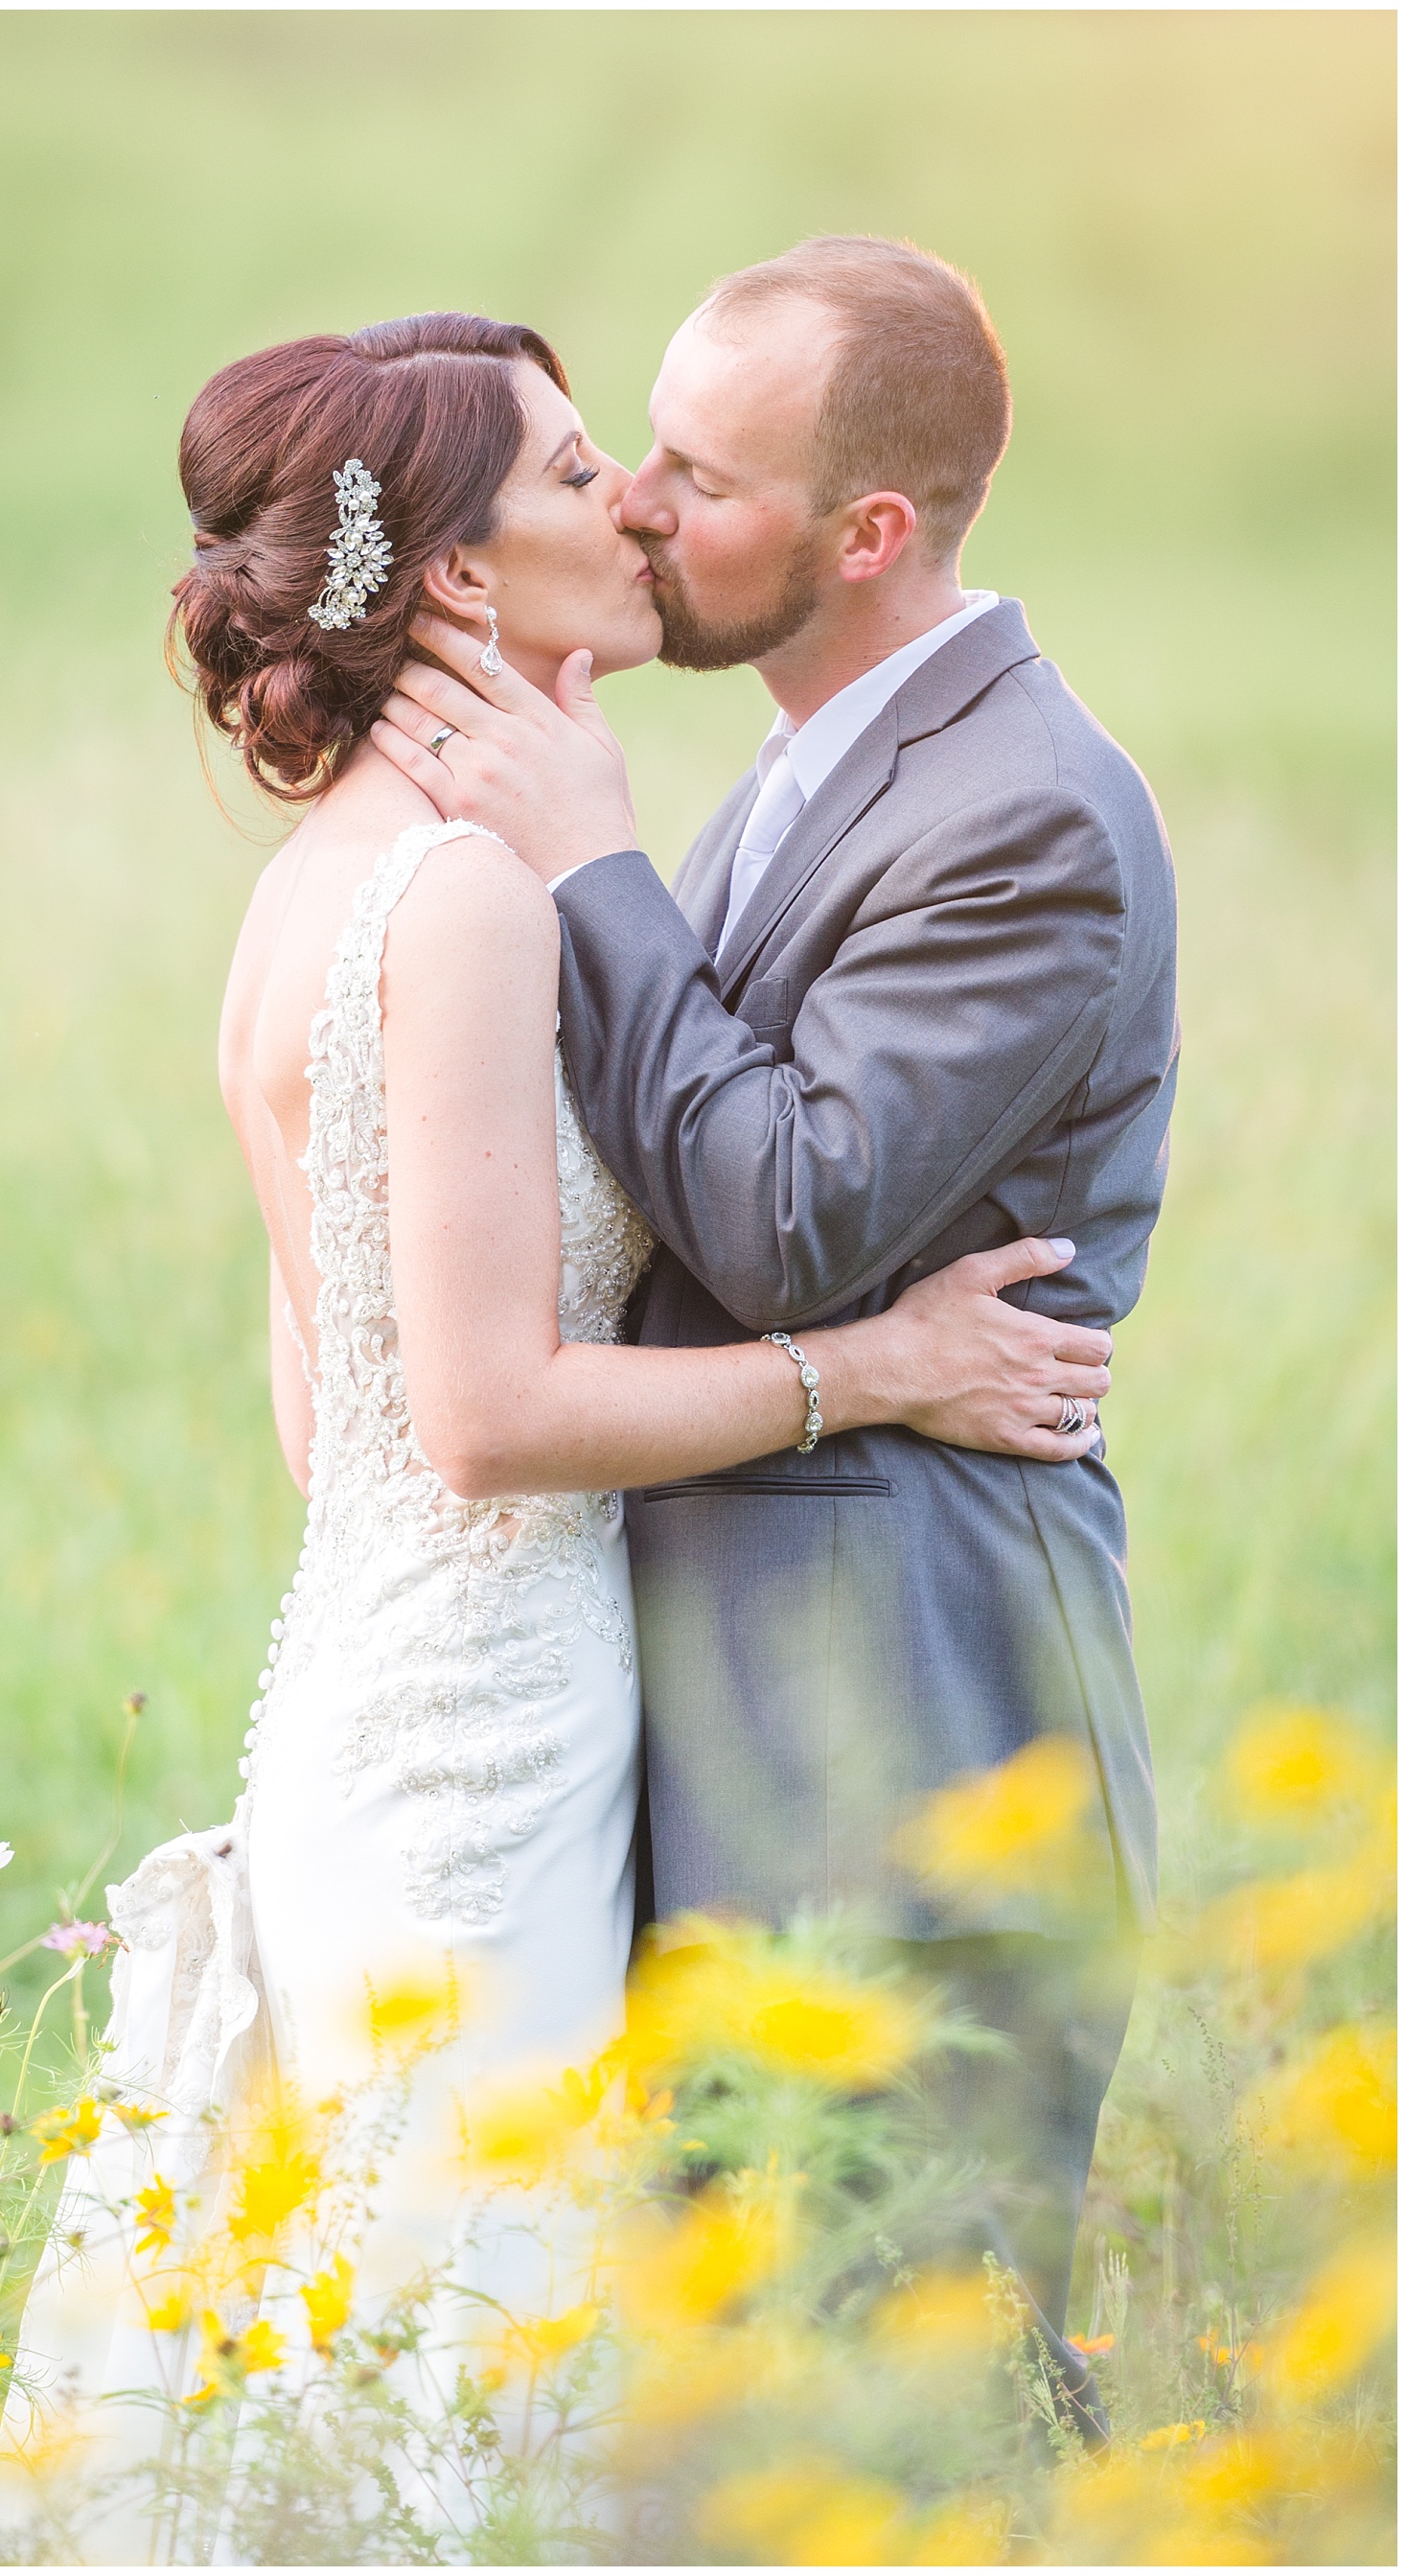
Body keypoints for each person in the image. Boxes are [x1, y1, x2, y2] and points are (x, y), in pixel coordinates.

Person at [0, 305, 1119, 2550]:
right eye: (586, 465)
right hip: (480, 1738)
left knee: (380, 2328)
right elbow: (487, 1419)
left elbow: (343, 1412)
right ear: (470, 582)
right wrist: (869, 1368)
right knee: (489, 2375)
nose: (634, 505)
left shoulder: (316, 883)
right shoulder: (477, 896)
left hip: (371, 1683)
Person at [371, 241, 1180, 2432]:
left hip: (906, 1741)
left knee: (913, 2417)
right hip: (734, 1715)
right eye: (634, 446)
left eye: (700, 475)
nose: (636, 501)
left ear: (868, 535)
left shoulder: (1026, 816)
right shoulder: (822, 759)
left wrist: (594, 872)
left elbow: (789, 1210)